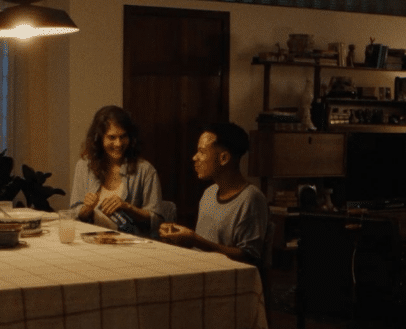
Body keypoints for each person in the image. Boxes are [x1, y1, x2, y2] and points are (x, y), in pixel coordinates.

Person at [159, 122, 268, 265]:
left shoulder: (251, 198)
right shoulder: (209, 193)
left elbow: (249, 257)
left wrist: (195, 240)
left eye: (202, 152)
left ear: (224, 158)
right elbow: (202, 246)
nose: (195, 158)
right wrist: (179, 238)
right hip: (199, 266)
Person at [68, 105, 165, 236]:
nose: (118, 143)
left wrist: (128, 207)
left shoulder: (145, 170)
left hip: (130, 243)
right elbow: (74, 214)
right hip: (90, 240)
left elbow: (157, 221)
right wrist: (87, 209)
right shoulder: (84, 166)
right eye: (112, 137)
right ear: (99, 138)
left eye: (123, 136)